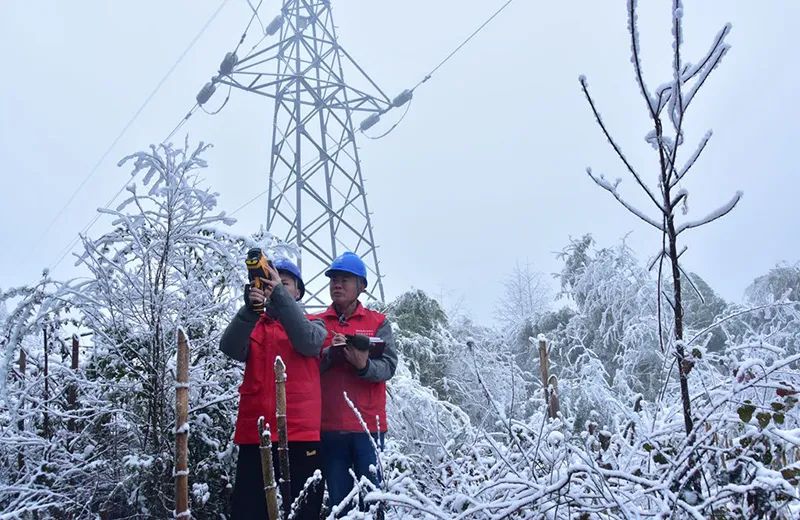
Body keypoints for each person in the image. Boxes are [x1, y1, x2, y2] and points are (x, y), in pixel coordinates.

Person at [220, 258, 325, 519]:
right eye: (267, 281)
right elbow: (230, 347)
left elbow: (309, 343)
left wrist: (278, 295)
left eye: (283, 282)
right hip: (255, 434)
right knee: (248, 510)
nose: (273, 286)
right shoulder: (254, 325)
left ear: (298, 291)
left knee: (302, 510)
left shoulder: (315, 324)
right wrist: (248, 310)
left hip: (299, 434)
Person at [313, 252, 398, 515]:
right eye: (333, 280)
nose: (337, 284)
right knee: (341, 503)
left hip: (368, 429)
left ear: (361, 286)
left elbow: (389, 366)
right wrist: (331, 355)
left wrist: (363, 366)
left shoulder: (378, 322)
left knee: (373, 500)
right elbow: (306, 369)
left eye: (345, 279)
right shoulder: (316, 323)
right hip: (329, 428)